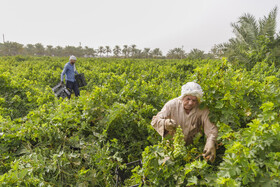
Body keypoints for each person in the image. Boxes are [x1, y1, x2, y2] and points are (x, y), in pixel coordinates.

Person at [151, 82, 218, 162]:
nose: (190, 103)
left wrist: (211, 141)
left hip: (191, 149)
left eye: (194, 100)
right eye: (188, 99)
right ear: (182, 97)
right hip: (171, 147)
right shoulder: (172, 105)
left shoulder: (202, 109)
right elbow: (155, 121)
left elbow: (211, 127)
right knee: (169, 165)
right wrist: (165, 123)